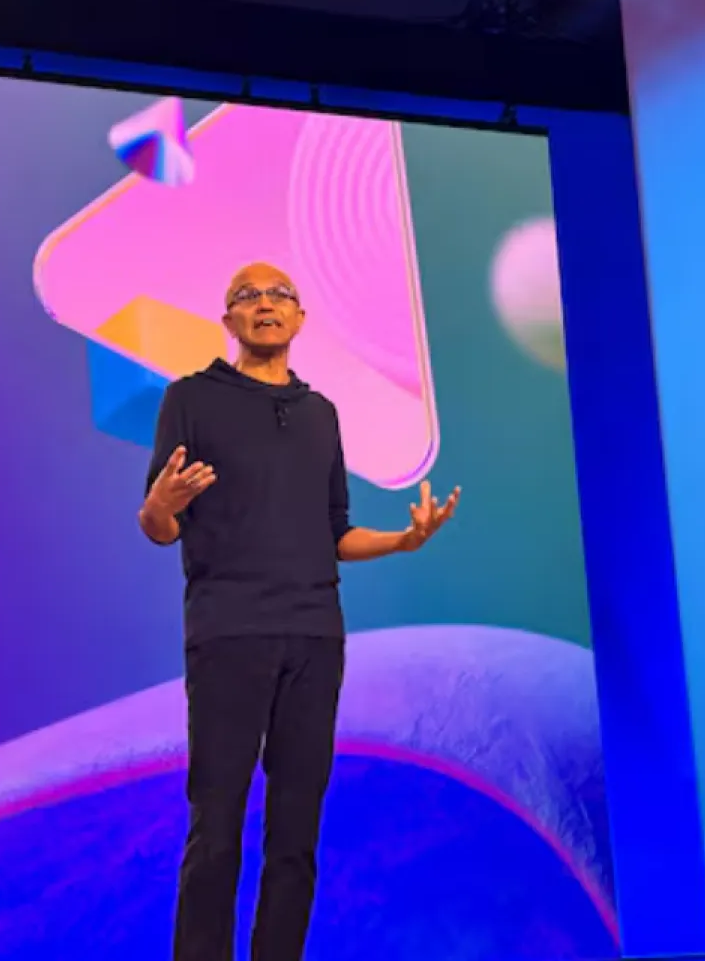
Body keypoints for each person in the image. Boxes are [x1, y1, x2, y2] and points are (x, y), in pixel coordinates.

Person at [140, 262, 460, 961]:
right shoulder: (190, 399)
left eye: (279, 294)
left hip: (315, 638)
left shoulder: (321, 415)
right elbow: (159, 525)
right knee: (217, 823)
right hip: (228, 634)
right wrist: (160, 505)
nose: (265, 303)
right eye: (247, 295)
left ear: (300, 319)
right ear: (228, 319)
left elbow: (336, 533)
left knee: (296, 829)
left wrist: (404, 540)